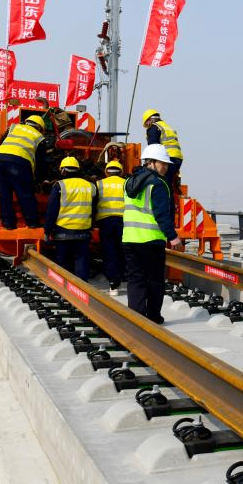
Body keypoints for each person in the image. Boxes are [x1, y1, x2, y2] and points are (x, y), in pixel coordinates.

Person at [123, 144, 182, 324]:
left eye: (166, 164)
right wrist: (173, 237)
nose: (165, 167)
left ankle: (136, 318)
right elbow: (162, 214)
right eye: (162, 163)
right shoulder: (158, 184)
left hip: (130, 239)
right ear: (150, 162)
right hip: (151, 241)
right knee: (155, 280)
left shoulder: (128, 182)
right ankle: (153, 317)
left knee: (136, 279)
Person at [44, 156, 96, 280]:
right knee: (82, 263)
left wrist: (47, 230)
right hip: (83, 232)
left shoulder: (59, 186)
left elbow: (52, 210)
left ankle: (64, 289)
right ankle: (82, 288)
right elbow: (94, 209)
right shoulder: (90, 186)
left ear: (63, 171)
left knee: (63, 266)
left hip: (62, 232)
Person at [0, 114, 46, 229]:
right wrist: (38, 180)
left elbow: (2, 143)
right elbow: (41, 163)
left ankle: (8, 223)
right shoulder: (39, 137)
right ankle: (32, 222)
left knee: (4, 194)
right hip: (18, 163)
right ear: (40, 128)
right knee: (25, 194)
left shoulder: (13, 127)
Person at [95, 160, 127, 296]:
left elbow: (93, 202)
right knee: (124, 250)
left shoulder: (99, 184)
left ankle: (113, 283)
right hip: (124, 221)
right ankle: (125, 276)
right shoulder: (126, 183)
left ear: (106, 172)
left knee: (109, 252)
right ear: (121, 172)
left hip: (106, 222)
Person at [141, 108, 184, 190]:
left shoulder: (154, 127)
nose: (147, 125)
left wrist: (147, 162)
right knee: (168, 182)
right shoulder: (167, 126)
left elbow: (153, 147)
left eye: (146, 123)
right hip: (177, 158)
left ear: (149, 119)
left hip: (166, 159)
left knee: (160, 182)